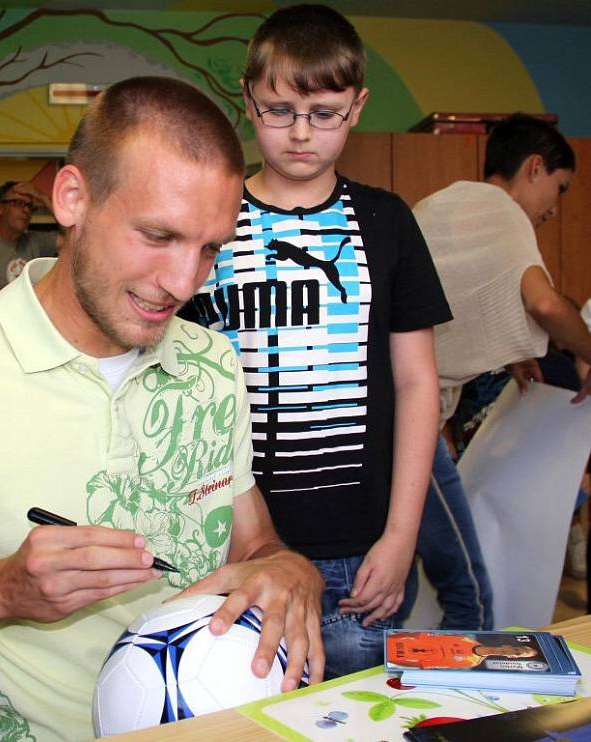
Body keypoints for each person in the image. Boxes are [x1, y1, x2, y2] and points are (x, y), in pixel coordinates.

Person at [0, 76, 324, 741]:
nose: (183, 283)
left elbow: (253, 541)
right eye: (159, 235)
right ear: (73, 197)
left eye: (210, 248)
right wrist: (0, 591)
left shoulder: (214, 363)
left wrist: (285, 565)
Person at [181, 4, 450, 678]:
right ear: (247, 100)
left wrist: (401, 535)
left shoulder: (388, 223)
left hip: (362, 558)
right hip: (235, 548)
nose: (301, 134)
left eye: (324, 113)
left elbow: (418, 385)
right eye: (279, 110)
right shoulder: (207, 221)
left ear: (356, 107)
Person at [401, 113, 591, 631]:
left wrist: (509, 350)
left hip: (380, 416)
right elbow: (547, 306)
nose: (554, 208)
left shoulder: (443, 204)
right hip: (407, 426)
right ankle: (476, 707)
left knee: (398, 585)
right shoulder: (504, 213)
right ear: (534, 168)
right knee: (467, 590)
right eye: (559, 188)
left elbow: (447, 305)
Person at [386, 631, 540, 670]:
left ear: (513, 659)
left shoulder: (470, 662)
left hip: (397, 658)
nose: (515, 653)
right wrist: (392, 638)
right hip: (395, 641)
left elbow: (424, 664)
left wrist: (392, 660)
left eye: (519, 655)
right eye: (518, 649)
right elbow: (421, 635)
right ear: (509, 646)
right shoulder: (465, 640)